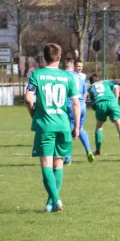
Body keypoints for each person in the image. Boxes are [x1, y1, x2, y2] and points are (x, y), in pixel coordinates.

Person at [24, 43, 80, 212]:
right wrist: (77, 126)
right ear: (59, 57)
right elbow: (76, 102)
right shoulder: (69, 77)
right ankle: (51, 203)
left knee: (46, 164)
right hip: (63, 125)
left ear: (44, 57)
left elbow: (28, 98)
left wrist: (33, 113)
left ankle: (56, 200)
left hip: (45, 125)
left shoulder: (36, 74)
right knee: (59, 164)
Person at [88, 73, 120, 157]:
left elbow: (93, 102)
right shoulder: (106, 83)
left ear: (91, 82)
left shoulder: (90, 88)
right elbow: (117, 88)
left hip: (100, 104)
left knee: (99, 127)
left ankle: (97, 151)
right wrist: (116, 99)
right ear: (99, 80)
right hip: (112, 103)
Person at [64, 58, 94, 164]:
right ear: (73, 66)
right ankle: (89, 151)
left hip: (71, 105)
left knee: (67, 131)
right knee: (80, 128)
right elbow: (85, 93)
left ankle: (67, 159)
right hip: (82, 106)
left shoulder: (63, 76)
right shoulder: (80, 77)